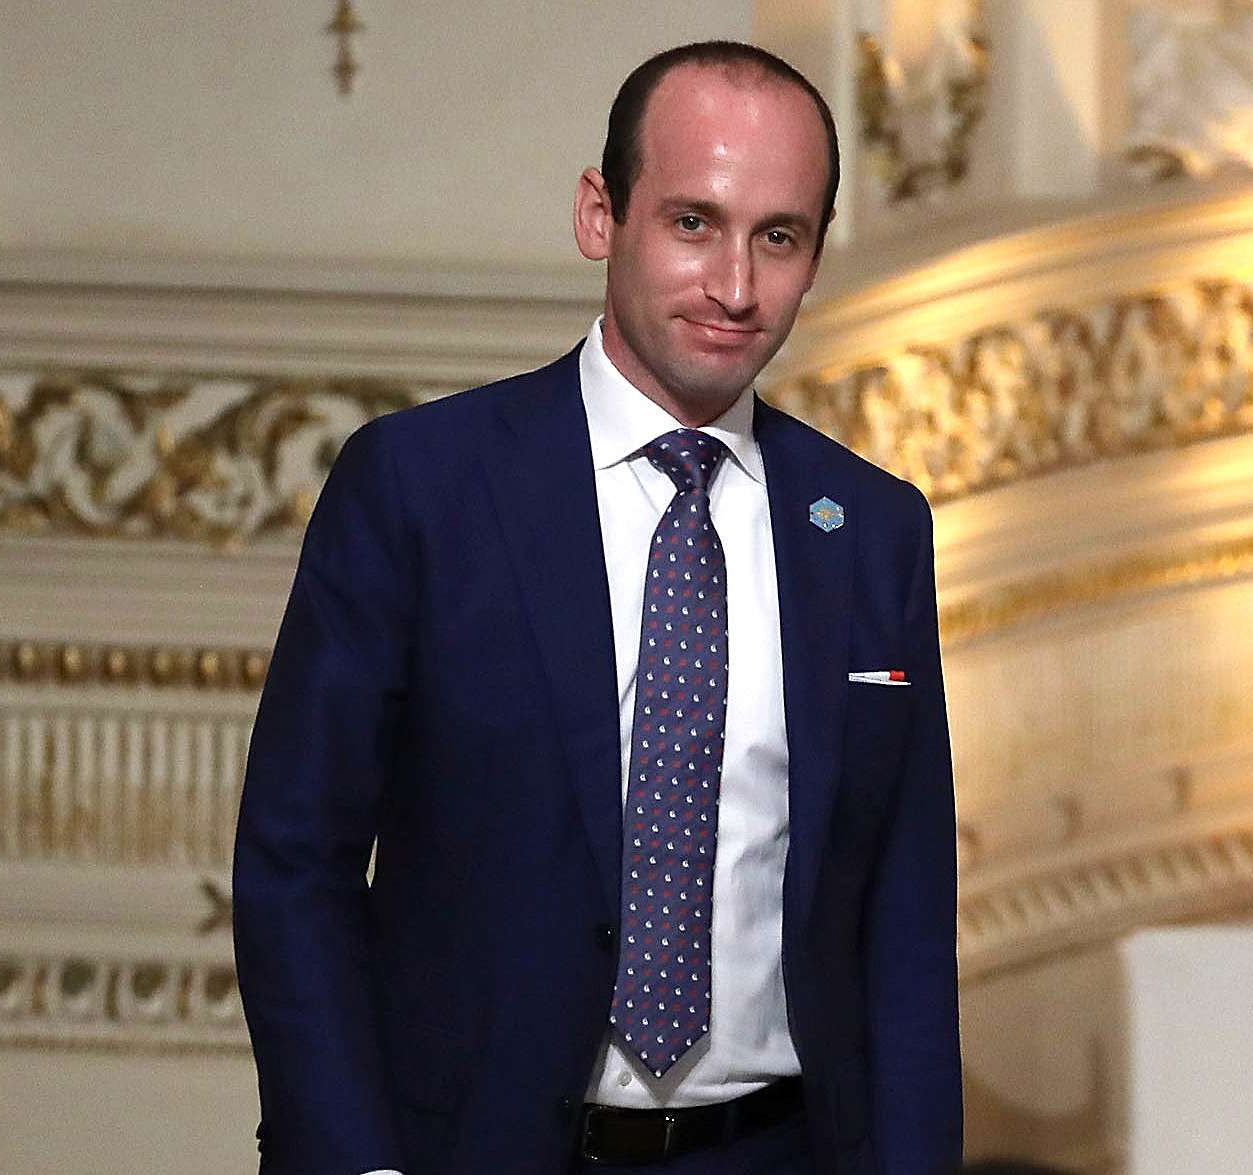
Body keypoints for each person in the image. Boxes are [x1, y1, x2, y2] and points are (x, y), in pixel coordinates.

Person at [232, 40, 962, 1175]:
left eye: (779, 236)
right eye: (691, 223)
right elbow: (296, 863)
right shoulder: (420, 486)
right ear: (598, 214)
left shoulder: (869, 528)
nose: (734, 285)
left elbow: (904, 925)